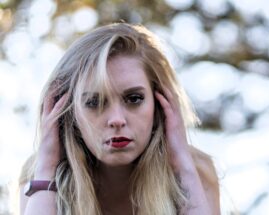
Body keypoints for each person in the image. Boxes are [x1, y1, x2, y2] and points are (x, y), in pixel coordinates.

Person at [19, 23, 220, 215]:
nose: (116, 120)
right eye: (94, 102)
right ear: (68, 114)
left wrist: (183, 165)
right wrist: (46, 169)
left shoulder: (195, 170)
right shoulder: (39, 174)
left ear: (159, 104)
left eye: (134, 99)